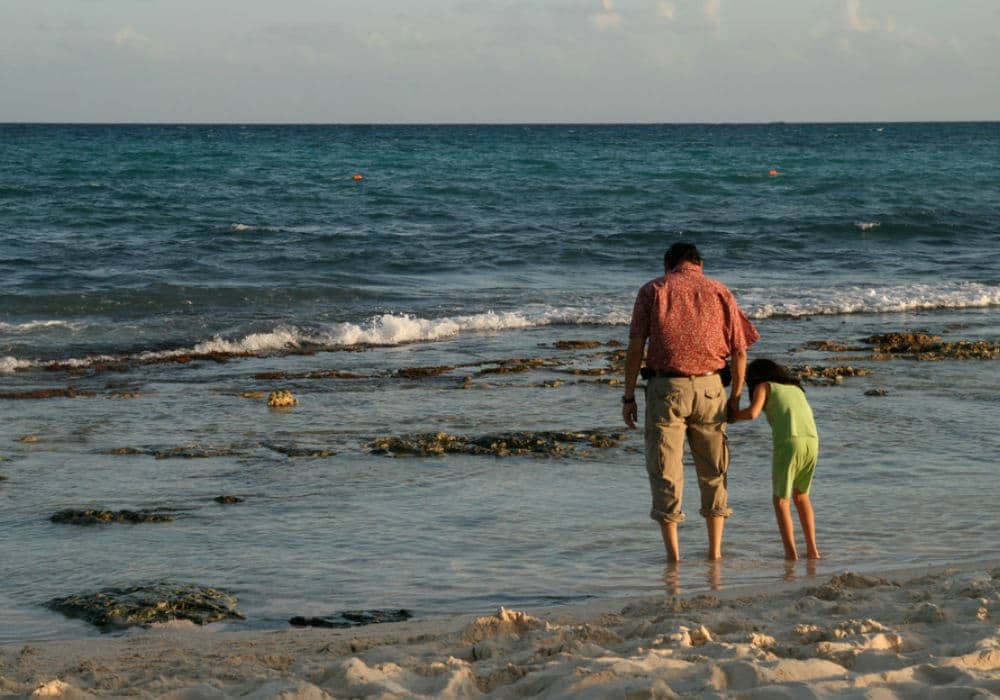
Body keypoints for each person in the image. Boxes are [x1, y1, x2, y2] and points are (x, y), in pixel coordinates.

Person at [622, 242, 759, 561]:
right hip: (712, 387)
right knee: (714, 471)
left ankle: (674, 557)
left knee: (666, 471)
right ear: (699, 263)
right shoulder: (720, 290)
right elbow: (740, 351)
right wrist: (735, 397)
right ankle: (715, 552)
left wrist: (628, 395)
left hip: (665, 388)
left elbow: (635, 347)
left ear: (667, 264)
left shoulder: (653, 289)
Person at [730, 358, 820, 560]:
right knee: (802, 496)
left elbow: (753, 413)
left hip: (789, 442)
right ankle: (813, 551)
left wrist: (732, 416)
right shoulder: (796, 388)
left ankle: (791, 553)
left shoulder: (764, 386)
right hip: (812, 442)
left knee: (781, 500)